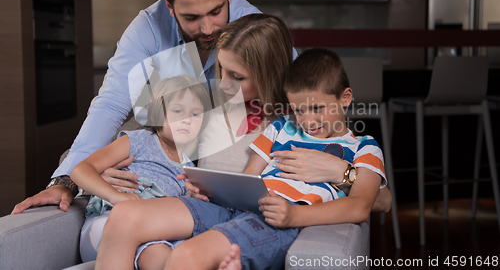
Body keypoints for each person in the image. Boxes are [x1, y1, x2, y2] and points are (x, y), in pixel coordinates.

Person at [12, 0, 263, 214]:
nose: (207, 28)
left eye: (216, 11)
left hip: (227, 135)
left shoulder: (255, 26)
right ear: (170, 6)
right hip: (167, 137)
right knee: (80, 161)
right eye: (191, 17)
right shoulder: (148, 28)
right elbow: (111, 104)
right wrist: (66, 180)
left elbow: (298, 91)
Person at [94, 48, 387, 270]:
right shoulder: (282, 127)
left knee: (187, 255)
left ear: (345, 98)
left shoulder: (363, 146)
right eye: (299, 110)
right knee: (124, 216)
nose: (307, 120)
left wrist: (294, 215)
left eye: (317, 108)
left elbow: (361, 206)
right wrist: (210, 188)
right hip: (235, 207)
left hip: (275, 221)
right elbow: (248, 177)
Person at [70, 75, 211, 262]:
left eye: (195, 114)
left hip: (155, 233)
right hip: (109, 223)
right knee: (157, 254)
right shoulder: (138, 140)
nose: (186, 120)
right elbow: (80, 170)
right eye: (178, 111)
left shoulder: (190, 167)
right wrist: (116, 196)